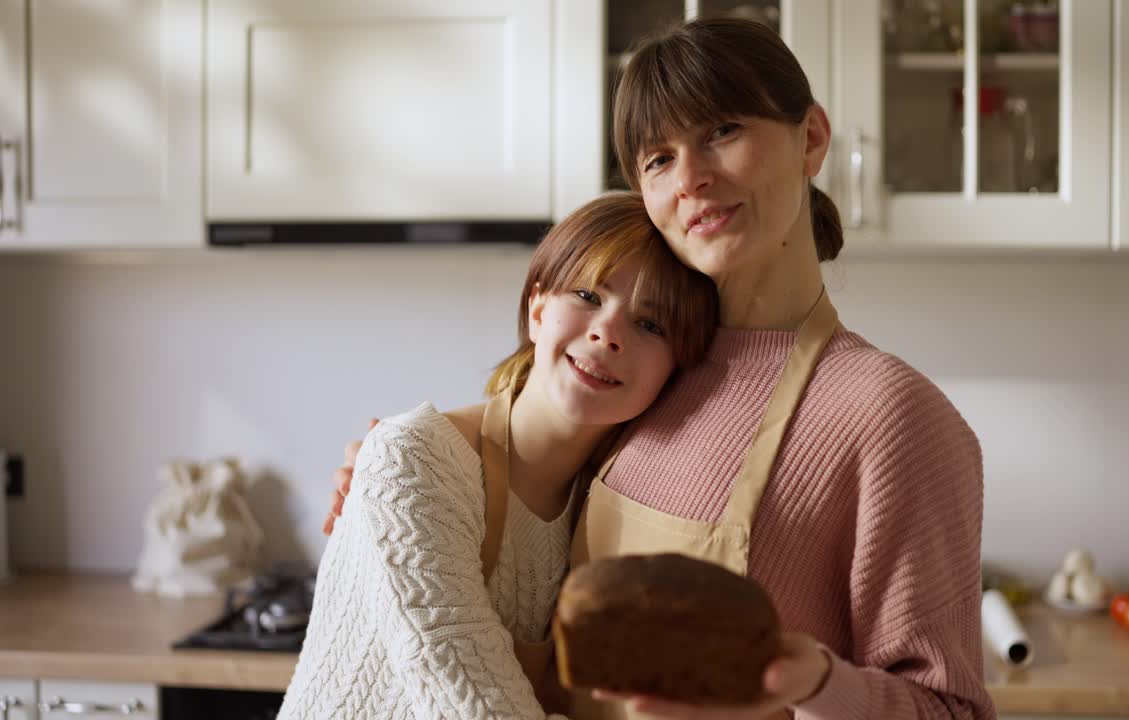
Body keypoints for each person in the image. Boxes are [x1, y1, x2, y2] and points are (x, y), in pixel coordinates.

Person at [328, 17, 995, 720]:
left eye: (723, 130)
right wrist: (397, 472)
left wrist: (817, 683)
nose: (692, 179)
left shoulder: (892, 416)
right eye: (657, 159)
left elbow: (949, 710)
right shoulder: (652, 370)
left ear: (813, 138)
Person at [282, 193, 719, 720]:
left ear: (678, 368)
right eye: (587, 295)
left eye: (651, 325)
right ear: (537, 310)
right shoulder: (414, 458)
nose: (608, 333)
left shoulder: (608, 501)